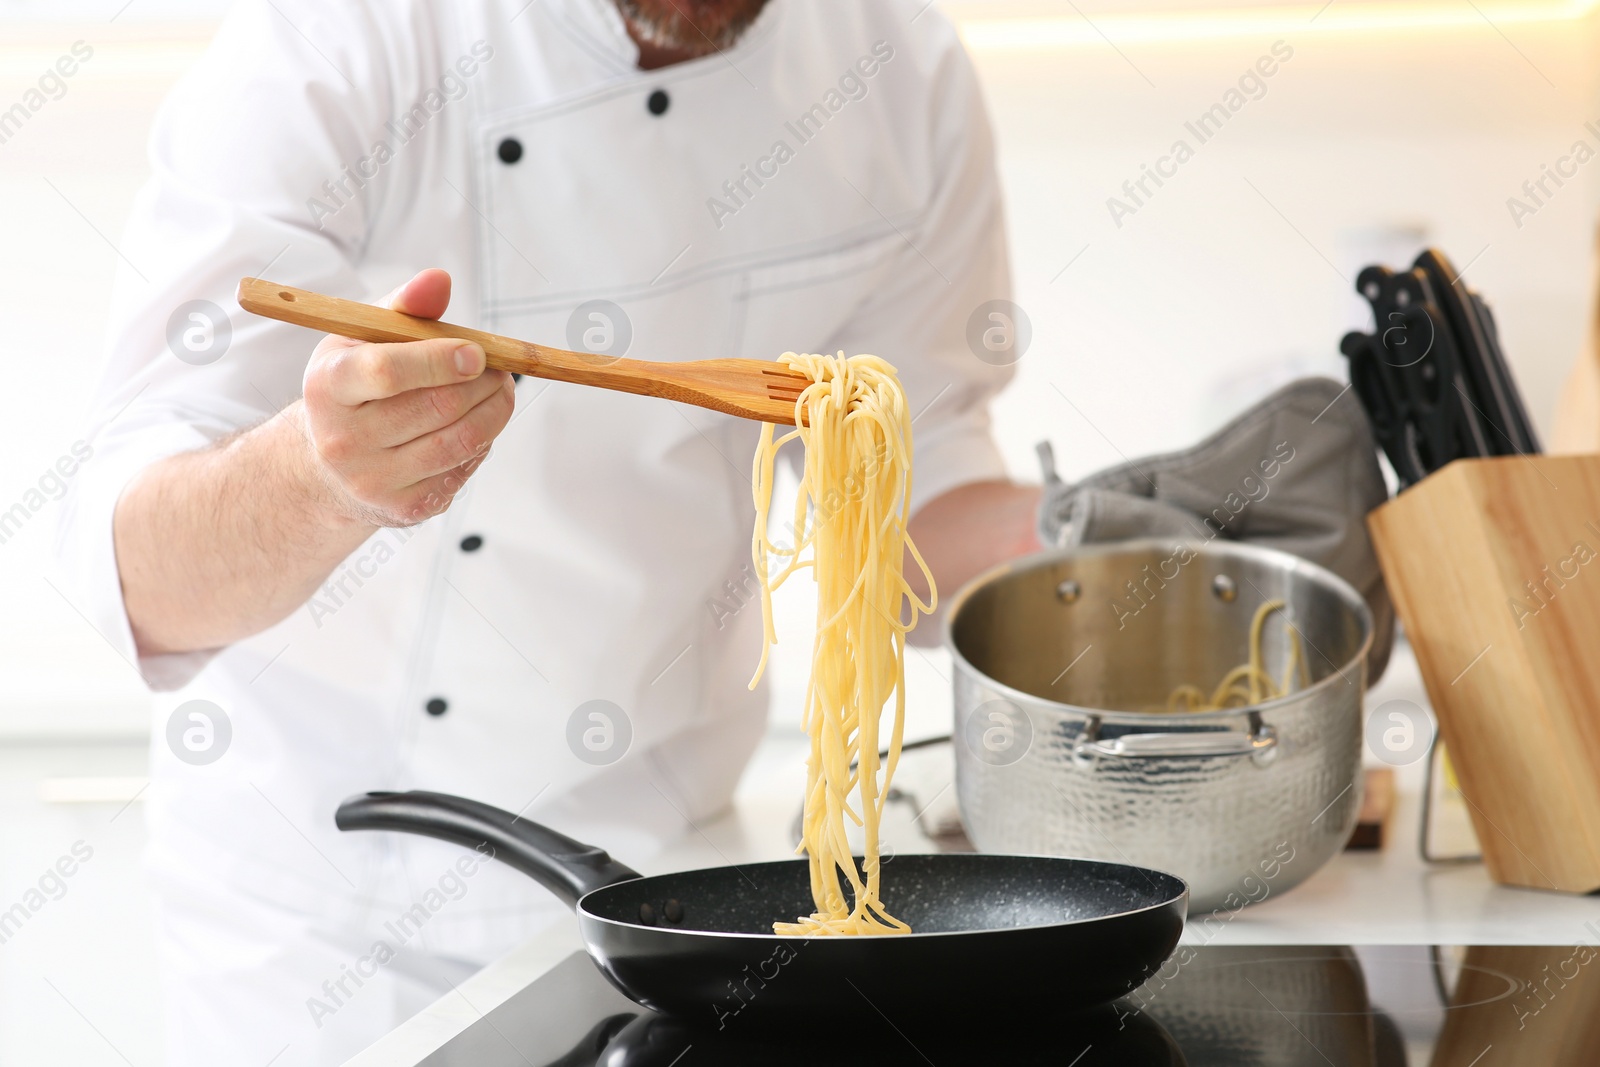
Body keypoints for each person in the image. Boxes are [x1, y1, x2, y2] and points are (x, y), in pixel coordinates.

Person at [57, 0, 1040, 1061]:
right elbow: (139, 578)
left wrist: (1124, 530)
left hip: (663, 892)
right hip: (316, 924)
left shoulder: (901, 71)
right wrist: (321, 476)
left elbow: (910, 523)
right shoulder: (345, 38)